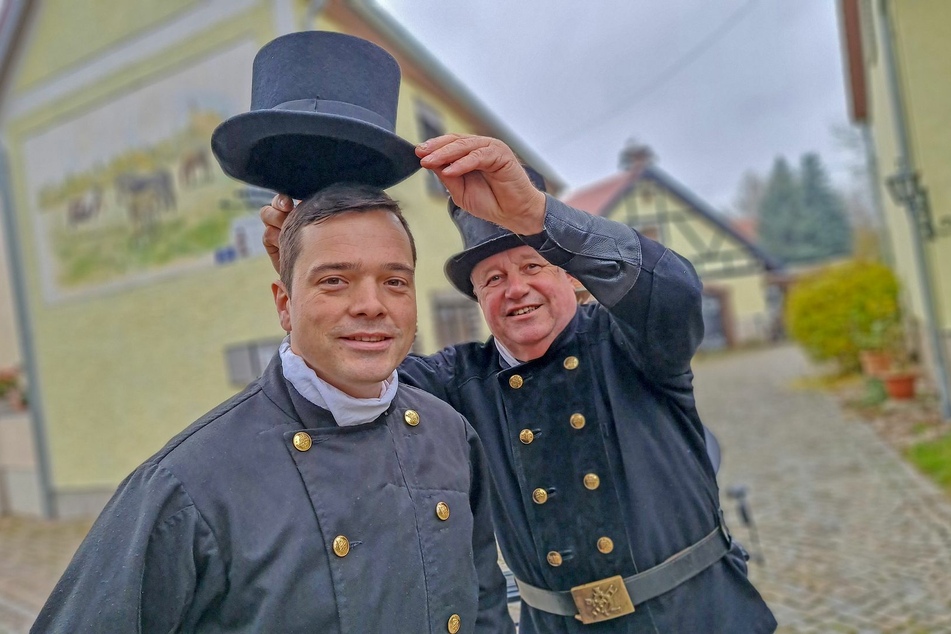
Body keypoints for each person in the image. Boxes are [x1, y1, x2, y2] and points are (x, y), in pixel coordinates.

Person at [261, 134, 777, 633]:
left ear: (571, 276)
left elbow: (675, 293)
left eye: (533, 265)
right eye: (493, 279)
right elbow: (345, 378)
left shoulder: (629, 340)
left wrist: (538, 215)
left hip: (696, 615)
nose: (516, 290)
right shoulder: (455, 382)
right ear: (479, 300)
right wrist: (309, 277)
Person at [32, 183, 514, 633]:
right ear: (284, 304)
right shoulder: (186, 486)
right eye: (334, 281)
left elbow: (484, 601)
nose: (371, 304)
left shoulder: (448, 433)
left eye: (395, 281)